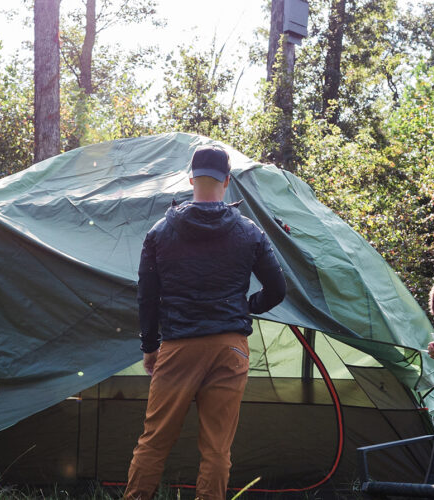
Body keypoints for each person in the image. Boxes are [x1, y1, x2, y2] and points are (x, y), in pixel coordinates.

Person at [124, 146, 286, 500]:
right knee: (216, 449)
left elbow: (147, 297)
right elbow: (278, 289)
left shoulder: (159, 232)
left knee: (154, 442)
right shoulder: (250, 232)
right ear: (226, 182)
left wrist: (150, 347)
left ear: (191, 179)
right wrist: (245, 307)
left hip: (179, 346)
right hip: (230, 348)